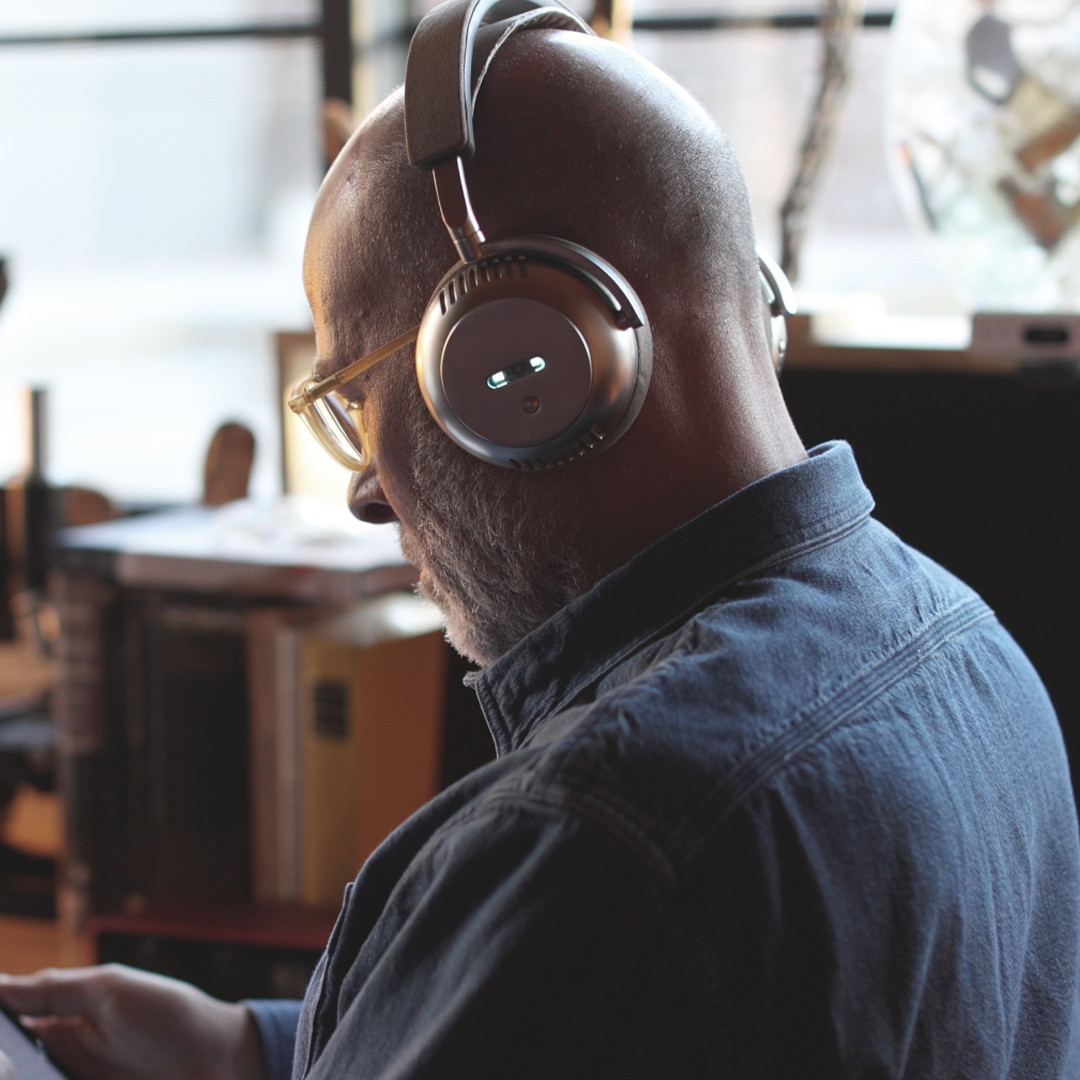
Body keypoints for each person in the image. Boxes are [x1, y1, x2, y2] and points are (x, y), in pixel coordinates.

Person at [2, 5, 1079, 1078]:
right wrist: (246, 1049)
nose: (367, 494)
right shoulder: (970, 652)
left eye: (358, 401)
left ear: (520, 367)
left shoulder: (606, 838)